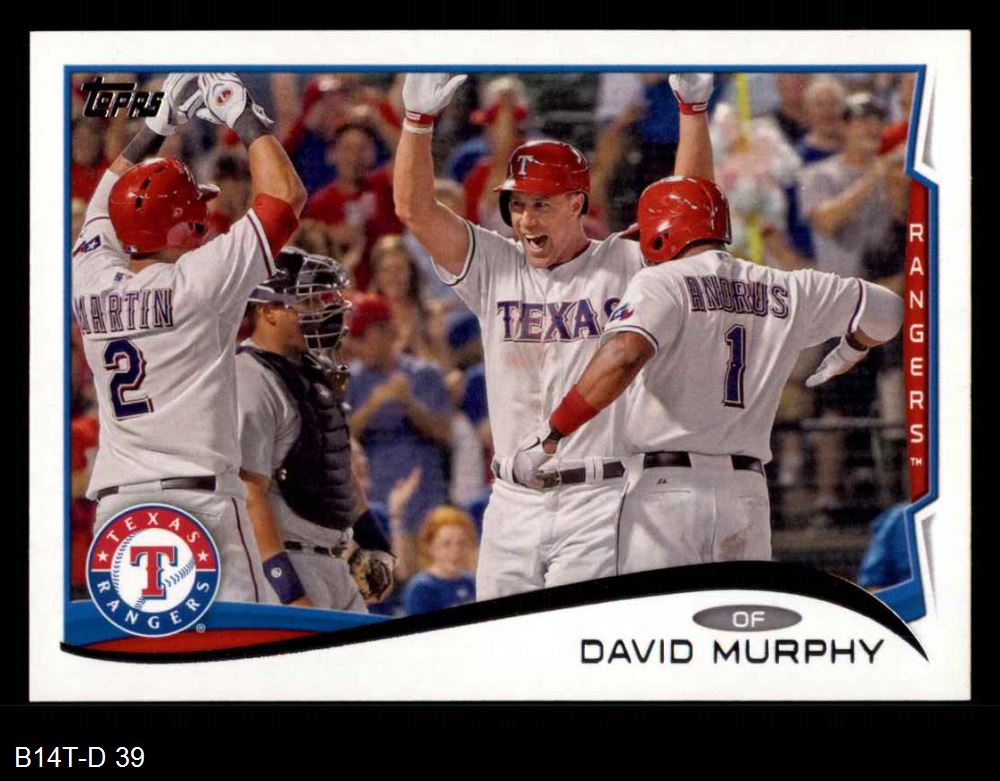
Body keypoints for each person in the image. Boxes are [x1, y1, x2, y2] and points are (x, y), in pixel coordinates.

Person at [392, 71, 716, 599]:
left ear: (577, 204)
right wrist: (416, 123)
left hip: (599, 496)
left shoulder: (623, 263)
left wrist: (692, 113)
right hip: (510, 499)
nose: (525, 218)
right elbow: (414, 209)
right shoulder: (495, 265)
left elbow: (691, 217)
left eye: (541, 203)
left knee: (569, 637)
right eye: (517, 204)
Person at [524, 175, 904, 573]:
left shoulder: (662, 281)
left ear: (663, 232)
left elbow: (622, 355)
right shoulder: (787, 286)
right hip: (747, 494)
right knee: (733, 611)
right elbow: (890, 311)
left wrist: (553, 432)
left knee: (658, 613)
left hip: (668, 491)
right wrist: (854, 346)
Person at [72, 72, 307, 602]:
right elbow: (286, 197)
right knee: (242, 648)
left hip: (118, 510)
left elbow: (102, 205)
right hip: (201, 503)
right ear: (188, 224)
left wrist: (154, 128)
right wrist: (244, 116)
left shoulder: (88, 280)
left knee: (142, 650)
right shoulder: (200, 281)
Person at [236, 248, 395, 610]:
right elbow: (249, 490)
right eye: (305, 303)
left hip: (335, 562)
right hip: (288, 560)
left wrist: (372, 540)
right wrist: (287, 588)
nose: (321, 312)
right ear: (267, 311)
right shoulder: (249, 377)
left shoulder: (314, 369)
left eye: (320, 301)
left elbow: (335, 462)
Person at [402, 507, 478, 615]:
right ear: (429, 546)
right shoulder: (421, 588)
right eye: (446, 544)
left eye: (461, 543)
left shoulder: (471, 582)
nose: (455, 551)